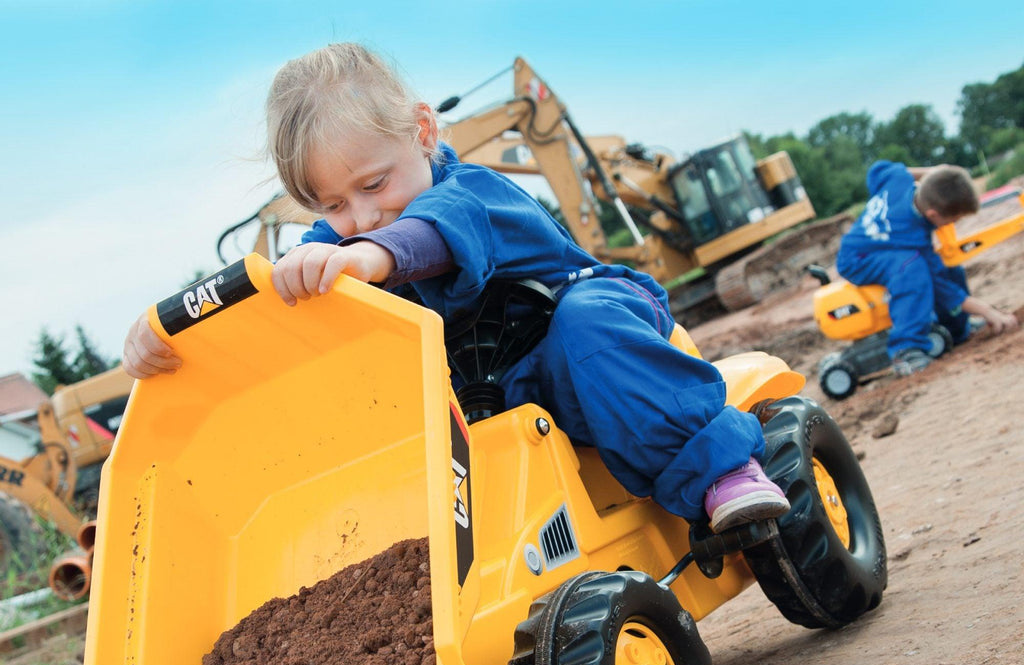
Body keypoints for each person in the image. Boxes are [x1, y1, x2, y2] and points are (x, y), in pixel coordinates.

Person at [123, 42, 788, 533]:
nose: (360, 217)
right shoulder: (338, 241)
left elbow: (427, 236)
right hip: (490, 396)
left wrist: (368, 258)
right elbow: (270, 302)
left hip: (575, 351)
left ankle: (722, 471)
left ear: (423, 130)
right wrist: (173, 334)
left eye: (374, 185)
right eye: (331, 205)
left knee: (589, 327)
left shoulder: (470, 194)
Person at [836, 160, 1017, 375]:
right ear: (933, 215)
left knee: (949, 268)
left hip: (882, 249)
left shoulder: (900, 180)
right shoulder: (913, 237)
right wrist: (987, 311)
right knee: (913, 269)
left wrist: (934, 173)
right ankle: (906, 349)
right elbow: (942, 287)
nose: (953, 224)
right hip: (857, 259)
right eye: (954, 220)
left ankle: (956, 328)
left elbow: (878, 169)